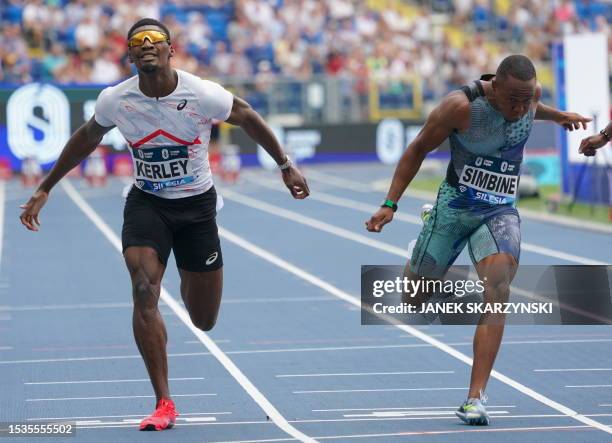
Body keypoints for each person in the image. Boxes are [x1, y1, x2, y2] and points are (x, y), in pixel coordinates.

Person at [19, 18, 310, 432]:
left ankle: (185, 287)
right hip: (147, 204)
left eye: (155, 40)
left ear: (171, 49)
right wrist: (46, 187)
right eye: (138, 42)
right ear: (130, 53)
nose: (147, 45)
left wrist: (286, 166)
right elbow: (87, 137)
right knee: (142, 289)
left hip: (196, 208)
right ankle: (163, 402)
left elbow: (246, 117)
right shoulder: (115, 100)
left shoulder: (202, 93)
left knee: (203, 319)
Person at [366, 55, 590, 426]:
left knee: (498, 288)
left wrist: (561, 115)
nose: (519, 110)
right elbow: (418, 148)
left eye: (526, 100)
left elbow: (535, 105)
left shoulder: (528, 99)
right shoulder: (461, 107)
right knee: (413, 297)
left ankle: (475, 398)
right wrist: (390, 204)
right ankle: (425, 231)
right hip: (454, 209)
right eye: (512, 101)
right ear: (494, 87)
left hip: (499, 211)